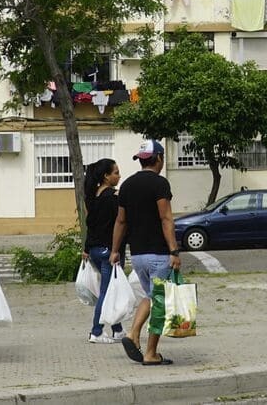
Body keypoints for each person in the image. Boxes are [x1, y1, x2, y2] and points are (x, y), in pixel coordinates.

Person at [110, 140, 182, 366]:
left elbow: (120, 221)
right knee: (159, 302)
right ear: (159, 158)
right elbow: (166, 218)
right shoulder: (160, 184)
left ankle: (134, 335)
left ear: (141, 160)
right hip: (159, 254)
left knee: (150, 296)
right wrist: (174, 250)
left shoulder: (128, 185)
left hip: (138, 255)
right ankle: (149, 352)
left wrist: (115, 251)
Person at [82, 158, 125, 344]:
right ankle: (96, 331)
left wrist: (86, 248)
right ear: (106, 176)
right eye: (115, 172)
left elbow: (91, 226)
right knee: (107, 292)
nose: (119, 175)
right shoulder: (113, 198)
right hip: (110, 251)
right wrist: (117, 250)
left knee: (111, 289)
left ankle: (117, 329)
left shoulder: (93, 197)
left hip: (96, 251)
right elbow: (120, 224)